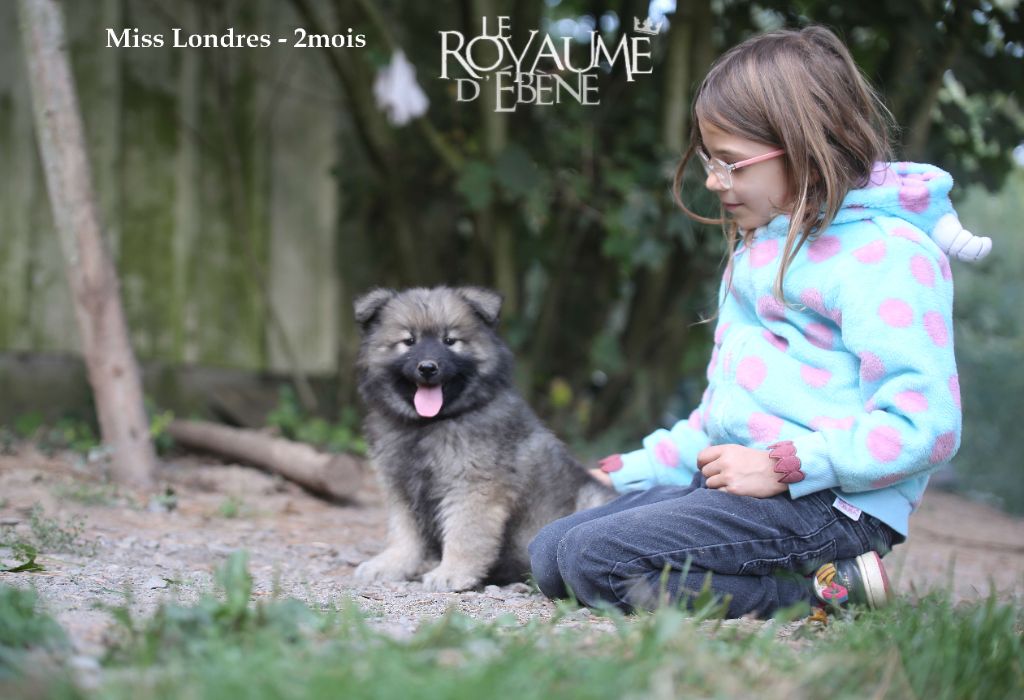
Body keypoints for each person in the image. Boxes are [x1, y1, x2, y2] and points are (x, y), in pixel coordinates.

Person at [529, 25, 992, 619]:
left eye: (731, 164)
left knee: (596, 561)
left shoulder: (890, 257)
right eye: (707, 160)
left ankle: (826, 594)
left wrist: (784, 464)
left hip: (832, 504)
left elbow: (926, 426)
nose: (713, 181)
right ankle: (795, 576)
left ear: (805, 144)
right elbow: (723, 423)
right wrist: (617, 474)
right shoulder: (762, 249)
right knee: (550, 551)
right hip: (745, 488)